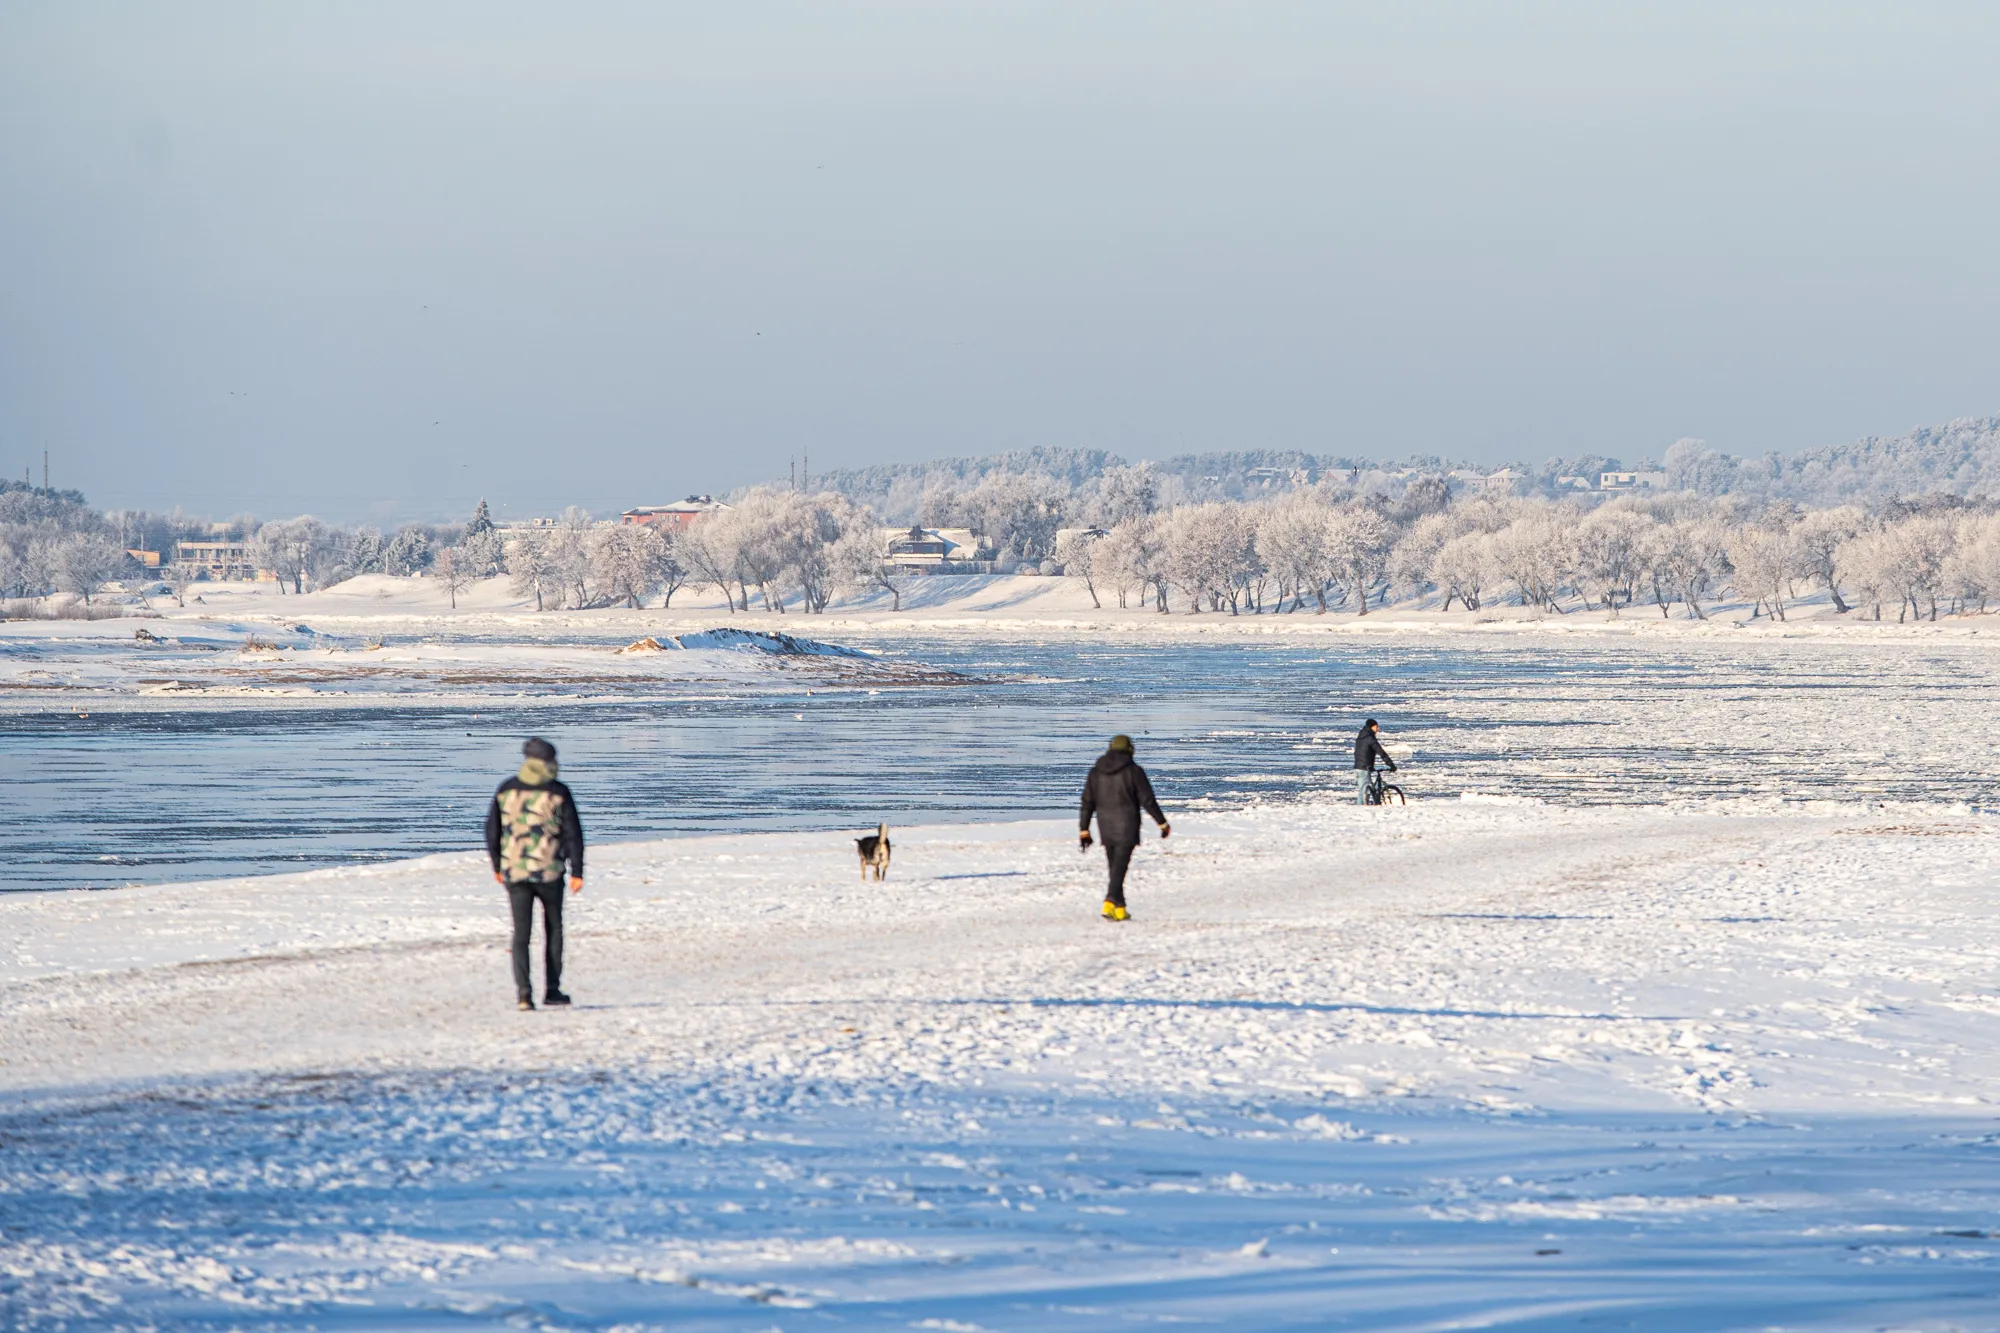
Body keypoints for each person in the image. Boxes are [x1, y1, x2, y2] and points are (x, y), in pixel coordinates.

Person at [485, 737, 584, 1010]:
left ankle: (524, 995)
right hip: (549, 871)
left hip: (514, 872)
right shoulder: (558, 791)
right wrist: (577, 870)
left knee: (521, 934)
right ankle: (552, 990)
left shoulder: (506, 790)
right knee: (553, 930)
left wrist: (497, 865)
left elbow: (492, 830)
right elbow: (573, 834)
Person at [1079, 734, 1170, 922]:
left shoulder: (1096, 772)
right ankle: (1110, 900)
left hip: (1105, 824)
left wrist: (1084, 828)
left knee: (1115, 866)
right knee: (1120, 867)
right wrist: (1161, 822)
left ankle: (1120, 908)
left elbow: (1087, 802)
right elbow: (1147, 800)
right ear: (1130, 749)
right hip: (1127, 824)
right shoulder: (1134, 771)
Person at [1353, 718, 1396, 805]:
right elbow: (1381, 752)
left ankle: (1366, 805)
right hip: (1364, 768)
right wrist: (1391, 764)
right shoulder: (1370, 739)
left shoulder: (1361, 737)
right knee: (1364, 791)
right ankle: (1360, 809)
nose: (1378, 729)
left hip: (1358, 767)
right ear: (1371, 727)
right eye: (1376, 727)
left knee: (1365, 790)